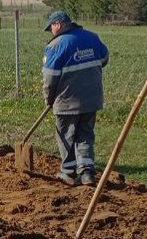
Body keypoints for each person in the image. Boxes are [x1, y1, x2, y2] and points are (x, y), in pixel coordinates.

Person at [42, 10, 109, 186]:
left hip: (66, 100)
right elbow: (104, 58)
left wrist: (49, 99)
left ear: (58, 24)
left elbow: (50, 78)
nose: (51, 32)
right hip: (91, 99)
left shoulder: (55, 46)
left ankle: (68, 172)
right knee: (85, 134)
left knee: (65, 135)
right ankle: (87, 173)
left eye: (51, 28)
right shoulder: (92, 37)